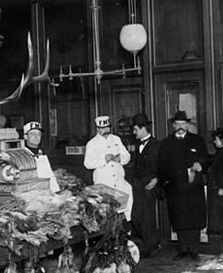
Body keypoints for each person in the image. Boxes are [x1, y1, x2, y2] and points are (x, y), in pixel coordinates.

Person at [157, 110, 210, 261]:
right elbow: (161, 165)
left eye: (183, 123)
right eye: (178, 124)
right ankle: (182, 250)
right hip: (176, 188)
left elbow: (206, 159)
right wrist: (167, 183)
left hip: (193, 188)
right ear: (174, 125)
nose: (181, 126)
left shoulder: (197, 140)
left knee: (194, 219)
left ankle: (194, 250)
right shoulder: (166, 143)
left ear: (187, 125)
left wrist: (200, 164)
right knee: (178, 219)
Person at [84, 115, 133, 220]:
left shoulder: (116, 139)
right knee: (107, 214)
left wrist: (119, 159)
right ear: (97, 129)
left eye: (108, 127)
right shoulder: (92, 143)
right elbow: (88, 164)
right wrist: (104, 160)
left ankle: (126, 233)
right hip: (104, 184)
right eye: (103, 128)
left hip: (119, 181)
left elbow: (127, 156)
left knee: (126, 209)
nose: (106, 130)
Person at [126, 113, 161, 258]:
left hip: (149, 184)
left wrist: (156, 180)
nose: (134, 133)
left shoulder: (156, 145)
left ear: (143, 128)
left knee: (148, 216)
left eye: (135, 130)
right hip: (137, 184)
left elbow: (163, 166)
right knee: (136, 216)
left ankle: (151, 246)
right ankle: (151, 242)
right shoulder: (137, 145)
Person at [23, 121, 59, 193]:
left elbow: (49, 175)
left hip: (46, 194)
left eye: (39, 134)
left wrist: (56, 192)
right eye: (33, 134)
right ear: (25, 136)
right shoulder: (22, 154)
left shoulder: (42, 153)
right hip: (30, 194)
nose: (36, 137)